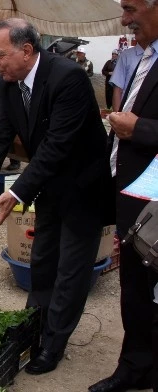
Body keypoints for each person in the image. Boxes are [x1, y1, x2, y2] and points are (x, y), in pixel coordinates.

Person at [0, 18, 108, 375]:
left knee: (71, 271)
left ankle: (52, 345)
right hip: (50, 187)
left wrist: (18, 191)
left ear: (26, 51)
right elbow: (0, 133)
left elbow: (56, 146)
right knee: (43, 263)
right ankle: (31, 332)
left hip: (83, 188)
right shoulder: (9, 83)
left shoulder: (68, 78)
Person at [88, 1, 158, 391]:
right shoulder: (141, 57)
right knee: (135, 287)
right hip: (137, 198)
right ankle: (134, 367)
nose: (124, 19)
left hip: (156, 201)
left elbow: (141, 127)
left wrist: (141, 128)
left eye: (131, 8)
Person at [110, 43, 145, 111]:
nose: (113, 55)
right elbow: (117, 89)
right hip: (127, 112)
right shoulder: (126, 55)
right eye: (113, 54)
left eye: (115, 54)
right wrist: (118, 117)